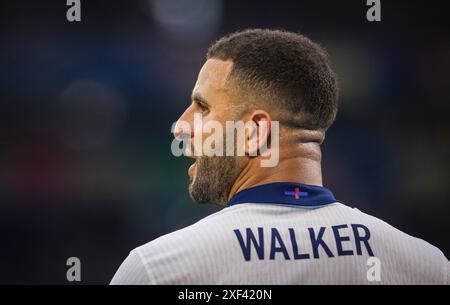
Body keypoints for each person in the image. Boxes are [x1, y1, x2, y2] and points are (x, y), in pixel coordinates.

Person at [111, 29, 448, 284]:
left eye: (202, 107)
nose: (181, 127)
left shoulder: (159, 270)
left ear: (256, 132)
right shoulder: (427, 266)